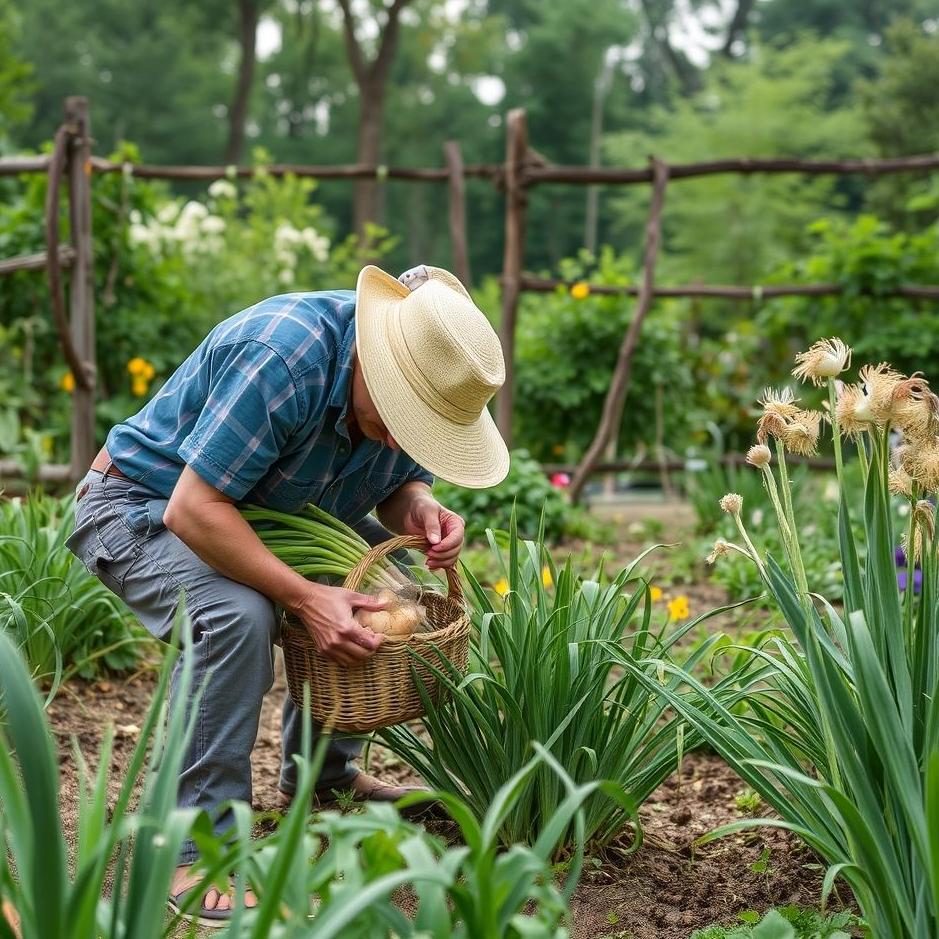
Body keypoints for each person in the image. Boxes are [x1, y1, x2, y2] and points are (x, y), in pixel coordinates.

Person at [66, 263, 509, 926]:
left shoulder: (408, 384)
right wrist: (302, 596)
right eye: (401, 418)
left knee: (382, 593)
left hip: (271, 513)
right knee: (234, 614)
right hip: (142, 505)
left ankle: (323, 772)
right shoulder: (284, 357)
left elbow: (394, 485)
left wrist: (419, 509)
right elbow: (194, 508)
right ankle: (199, 844)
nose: (401, 437)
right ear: (373, 359)